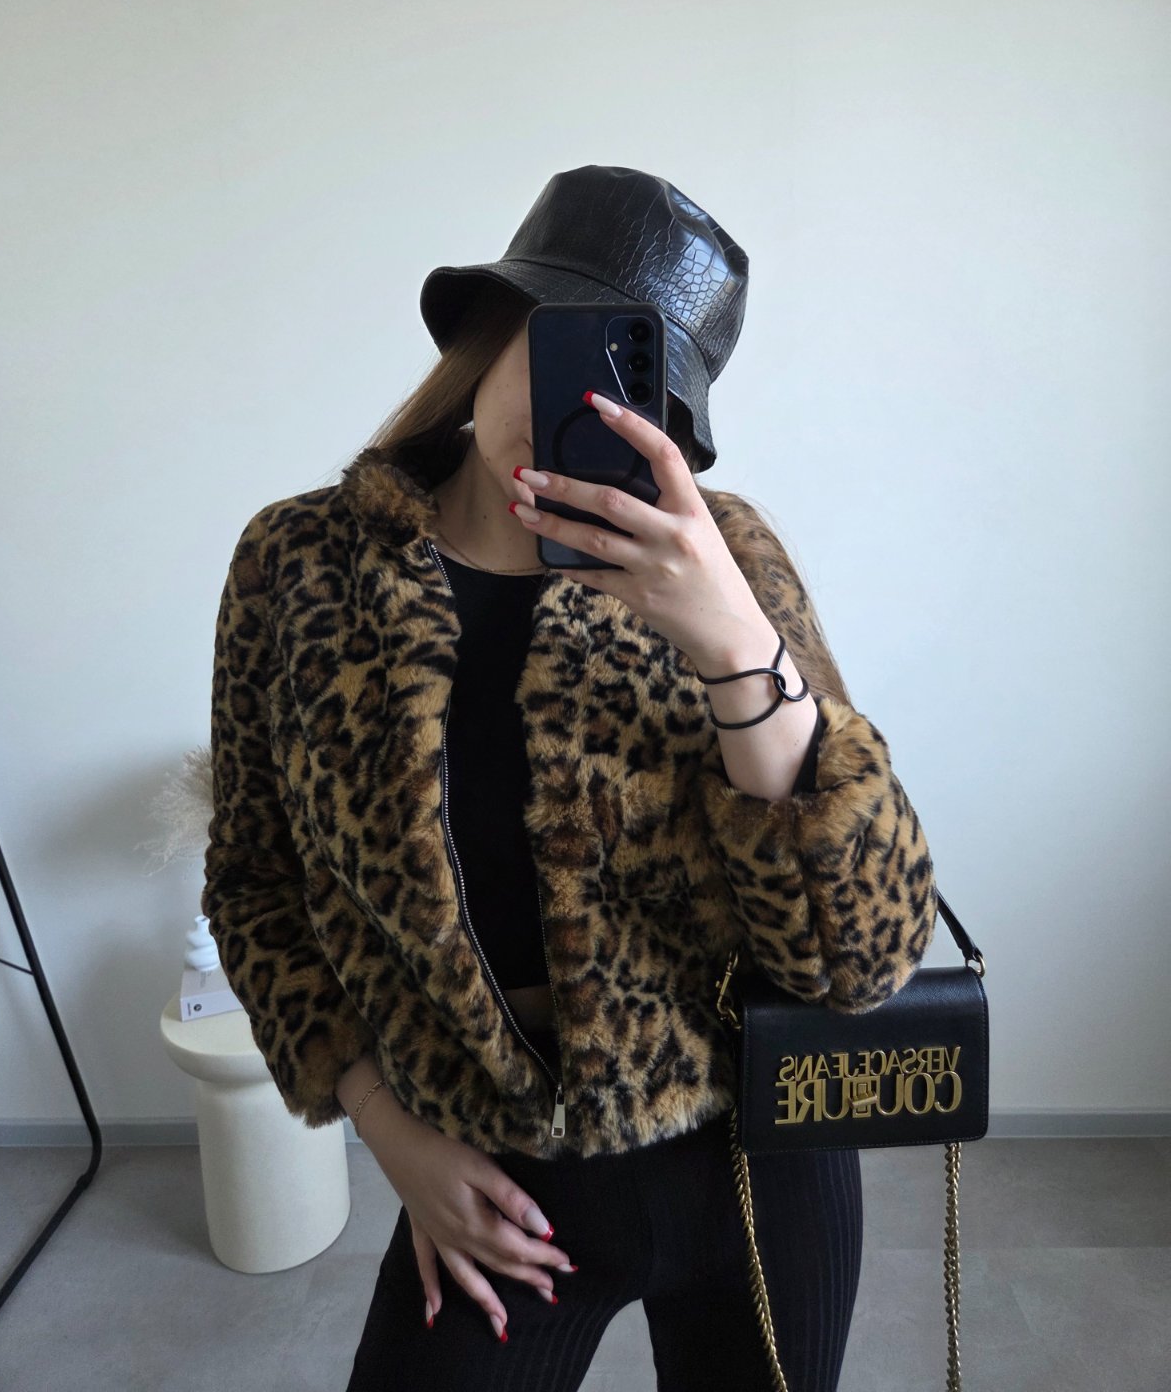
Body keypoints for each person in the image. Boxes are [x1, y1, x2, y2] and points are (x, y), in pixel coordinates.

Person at [201, 165, 939, 1391]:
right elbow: (253, 878)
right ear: (498, 330)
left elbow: (858, 957)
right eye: (566, 352)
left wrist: (733, 646)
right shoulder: (301, 563)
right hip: (486, 1173)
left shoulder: (726, 560)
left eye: (631, 379)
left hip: (759, 1160)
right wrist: (386, 1130)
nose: (583, 406)